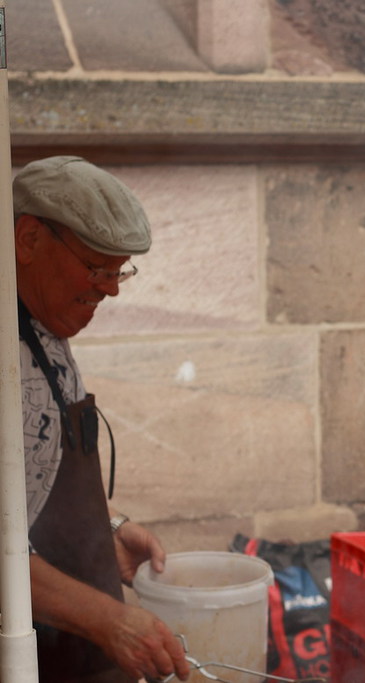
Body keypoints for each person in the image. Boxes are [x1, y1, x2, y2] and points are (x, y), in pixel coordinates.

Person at [14, 156, 191, 682]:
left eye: (119, 272)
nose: (111, 289)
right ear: (28, 239)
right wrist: (109, 620)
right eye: (97, 268)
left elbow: (29, 478)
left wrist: (106, 528)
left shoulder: (44, 322)